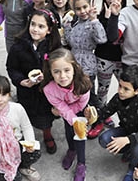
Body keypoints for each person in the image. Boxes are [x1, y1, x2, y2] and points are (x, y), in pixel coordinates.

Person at [6, 9, 62, 155]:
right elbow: (11, 67)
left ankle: (47, 135)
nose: (35, 29)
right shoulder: (18, 46)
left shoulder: (54, 48)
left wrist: (49, 76)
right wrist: (20, 81)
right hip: (26, 91)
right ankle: (26, 136)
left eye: (41, 26)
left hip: (46, 92)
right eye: (33, 24)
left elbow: (60, 67)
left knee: (45, 116)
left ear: (49, 30)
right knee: (25, 116)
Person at [85, 65, 138, 181]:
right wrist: (91, 115)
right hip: (125, 130)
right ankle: (128, 150)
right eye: (120, 86)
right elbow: (105, 112)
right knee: (104, 139)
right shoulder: (118, 98)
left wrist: (127, 140)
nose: (120, 91)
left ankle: (133, 167)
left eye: (126, 89)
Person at [42, 48, 92, 181]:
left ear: (74, 68)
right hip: (65, 111)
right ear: (51, 72)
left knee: (80, 136)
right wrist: (70, 117)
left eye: (66, 70)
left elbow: (82, 103)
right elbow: (60, 106)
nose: (62, 76)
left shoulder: (83, 83)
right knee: (69, 132)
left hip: (79, 109)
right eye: (56, 72)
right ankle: (71, 150)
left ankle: (81, 163)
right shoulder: (49, 89)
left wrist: (76, 120)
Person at [63, 0, 107, 127]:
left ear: (91, 6)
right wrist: (66, 27)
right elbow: (70, 42)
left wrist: (94, 20)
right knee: (80, 94)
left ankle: (101, 118)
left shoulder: (93, 23)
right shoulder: (76, 24)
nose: (82, 11)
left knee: (90, 95)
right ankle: (84, 116)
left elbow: (102, 39)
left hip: (88, 65)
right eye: (78, 8)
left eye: (85, 7)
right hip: (74, 63)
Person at [89, 0, 127, 138]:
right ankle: (101, 118)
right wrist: (103, 18)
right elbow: (101, 39)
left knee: (126, 91)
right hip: (104, 59)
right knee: (102, 92)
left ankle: (126, 121)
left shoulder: (126, 14)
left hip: (122, 61)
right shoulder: (99, 16)